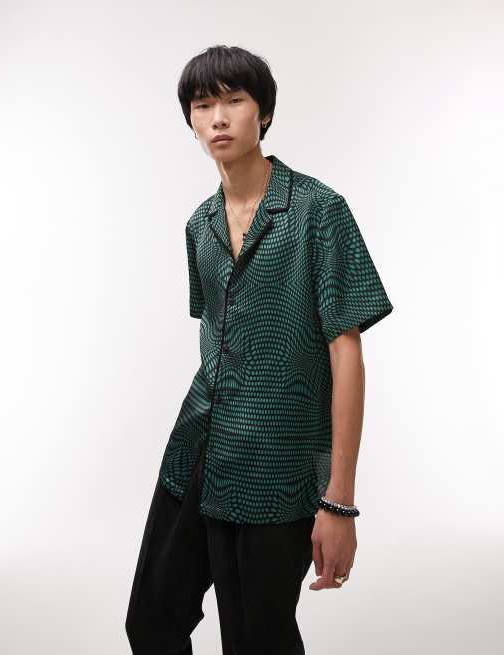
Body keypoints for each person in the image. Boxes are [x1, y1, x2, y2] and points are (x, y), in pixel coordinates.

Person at [125, 44, 394, 655]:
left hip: (279, 463)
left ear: (263, 113)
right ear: (190, 120)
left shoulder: (319, 211)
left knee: (256, 640)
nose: (218, 118)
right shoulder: (200, 225)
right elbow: (219, 340)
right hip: (197, 448)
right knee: (152, 623)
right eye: (203, 105)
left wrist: (339, 500)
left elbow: (346, 354)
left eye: (234, 100)